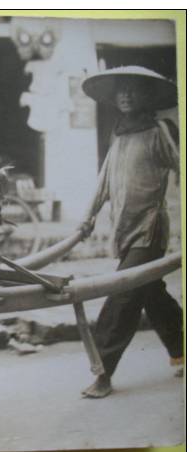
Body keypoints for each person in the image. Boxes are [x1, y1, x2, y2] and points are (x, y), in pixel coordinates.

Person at [78, 66, 183, 398]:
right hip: (123, 229)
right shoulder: (120, 133)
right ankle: (182, 349)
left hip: (149, 229)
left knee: (122, 295)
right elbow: (105, 180)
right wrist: (88, 217)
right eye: (121, 90)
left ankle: (103, 372)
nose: (125, 95)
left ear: (146, 96)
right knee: (151, 293)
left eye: (132, 90)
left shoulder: (158, 131)